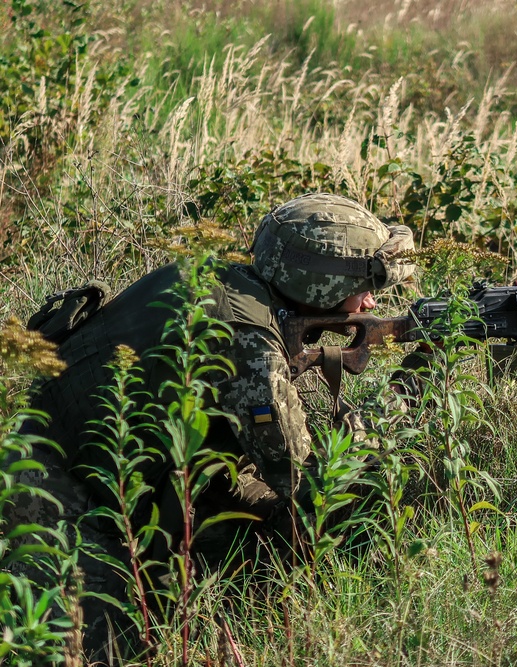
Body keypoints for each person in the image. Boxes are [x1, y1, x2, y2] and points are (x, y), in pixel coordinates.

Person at [5, 193, 415, 663]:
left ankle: (228, 602)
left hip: (83, 464)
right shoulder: (249, 339)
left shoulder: (219, 279)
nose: (372, 300)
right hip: (57, 505)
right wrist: (396, 403)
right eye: (365, 285)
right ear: (320, 285)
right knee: (108, 649)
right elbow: (302, 480)